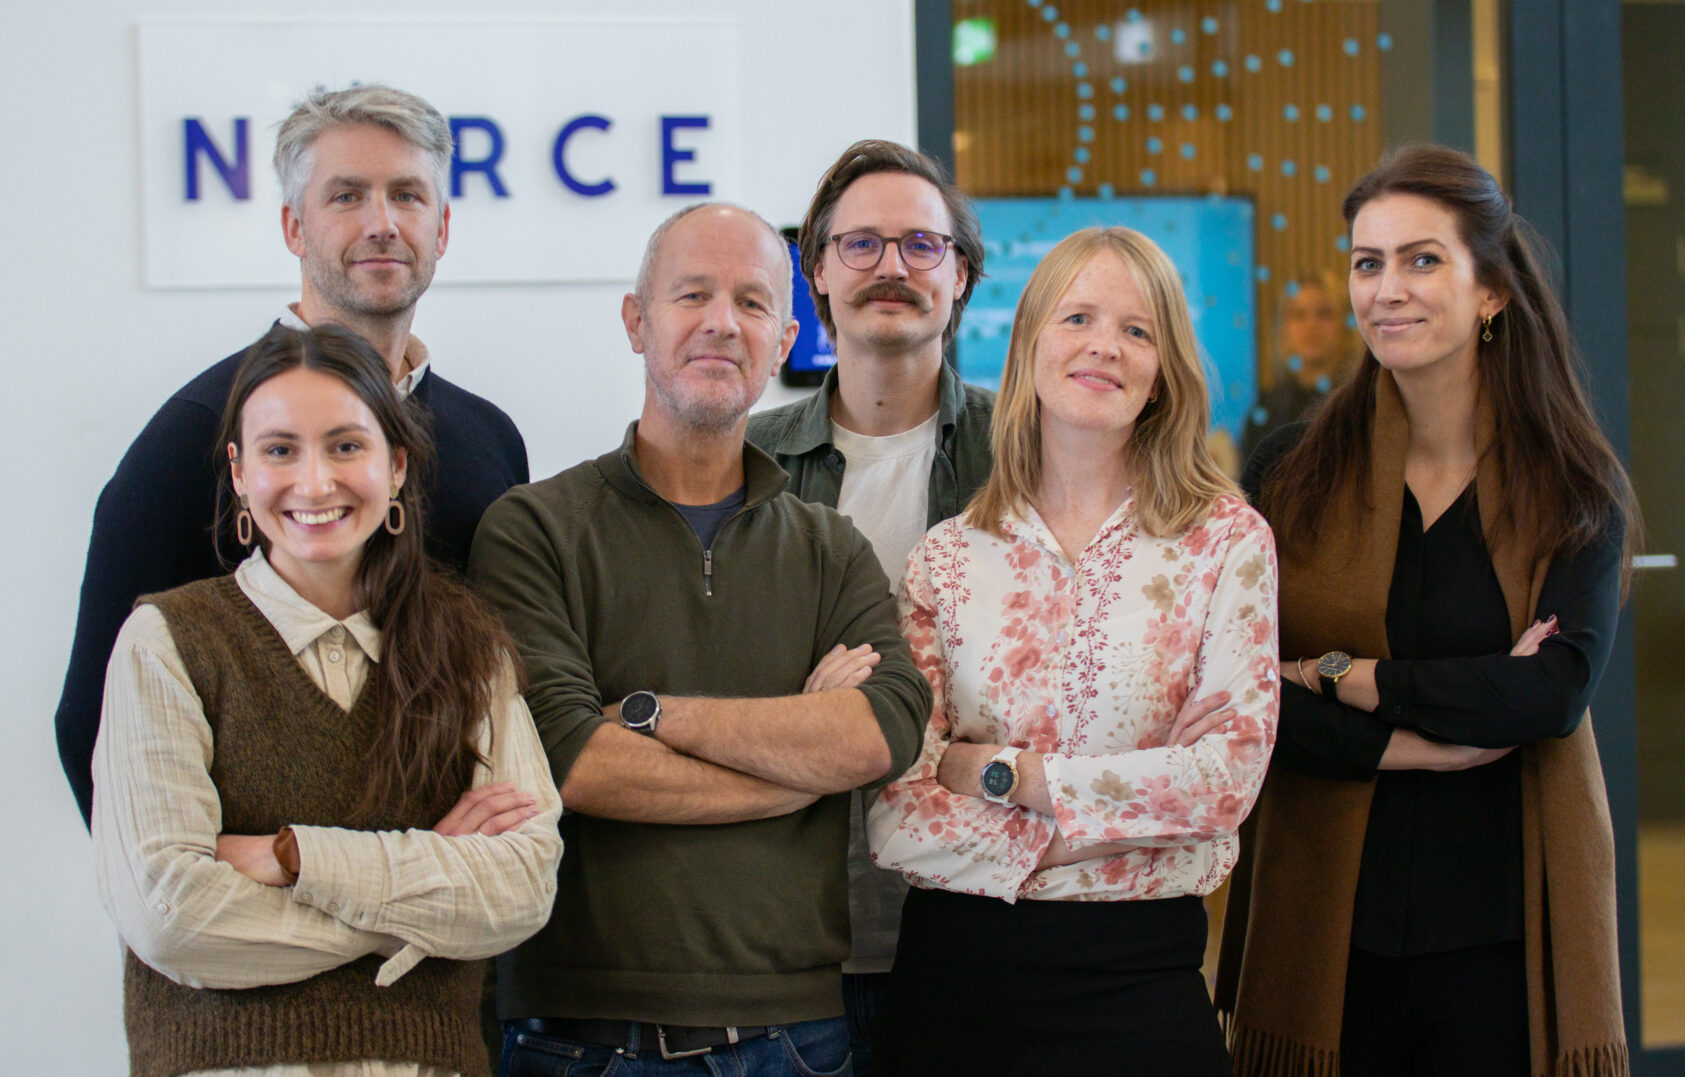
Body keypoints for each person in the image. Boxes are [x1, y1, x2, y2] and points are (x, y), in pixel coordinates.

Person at [468, 203, 932, 1076]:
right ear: (636, 321)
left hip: (795, 1036)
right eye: (692, 294)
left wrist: (647, 713)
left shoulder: (830, 547)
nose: (723, 322)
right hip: (575, 1033)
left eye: (753, 302)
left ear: (787, 335)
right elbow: (572, 759)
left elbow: (881, 729)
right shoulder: (533, 529)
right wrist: (794, 767)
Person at [1215, 145, 1635, 1077]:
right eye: (1368, 262)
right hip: (1328, 928)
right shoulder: (1290, 473)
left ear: (1490, 291)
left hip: (1501, 934)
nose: (1386, 288)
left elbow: (1550, 696)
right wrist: (1422, 732)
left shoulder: (1571, 484)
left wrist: (1342, 675)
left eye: (1421, 259)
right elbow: (1243, 700)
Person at [91, 324, 563, 1077]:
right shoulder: (166, 642)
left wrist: (294, 856)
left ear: (396, 465)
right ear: (239, 473)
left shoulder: (468, 645)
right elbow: (170, 915)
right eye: (281, 450)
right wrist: (416, 919)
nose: (314, 483)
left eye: (346, 445)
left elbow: (520, 888)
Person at [58, 83, 529, 828]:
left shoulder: (488, 439)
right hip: (255, 921)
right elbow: (94, 725)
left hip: (446, 922)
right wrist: (229, 897)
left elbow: (498, 713)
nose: (382, 223)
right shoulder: (192, 437)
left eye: (407, 195)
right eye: (346, 196)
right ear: (292, 226)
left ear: (442, 227)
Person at [867, 226, 1279, 1075]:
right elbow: (896, 816)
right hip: (953, 991)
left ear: (1165, 367)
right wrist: (1141, 812)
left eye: (1137, 329)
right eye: (1077, 316)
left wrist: (1004, 776)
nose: (1104, 345)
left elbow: (1224, 783)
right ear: (1027, 347)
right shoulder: (945, 556)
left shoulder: (1225, 542)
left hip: (1139, 988)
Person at [745, 138, 992, 1072]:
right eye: (860, 245)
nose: (891, 266)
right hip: (790, 927)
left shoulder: (1030, 455)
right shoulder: (746, 464)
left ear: (959, 275)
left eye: (921, 246)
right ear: (816, 271)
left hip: (971, 917)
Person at [1237, 270, 1362, 462]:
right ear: (1283, 327)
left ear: (1347, 324)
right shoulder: (1268, 409)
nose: (1311, 325)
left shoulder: (1362, 403)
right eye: (1298, 314)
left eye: (1324, 313)